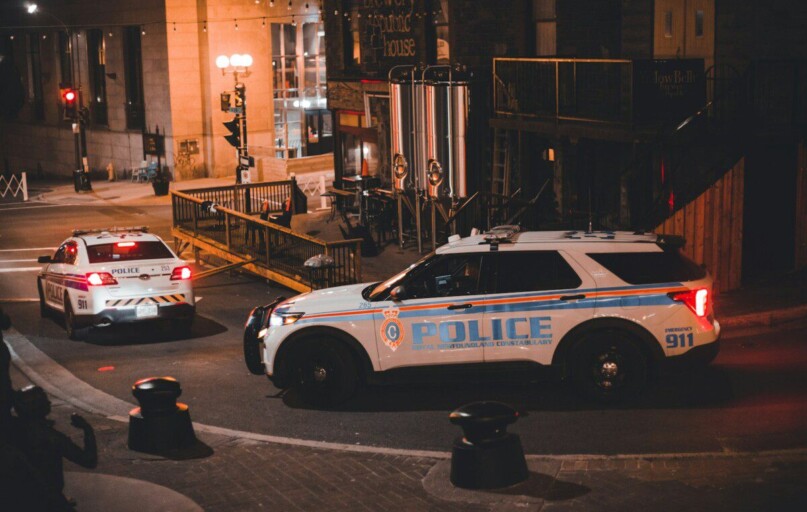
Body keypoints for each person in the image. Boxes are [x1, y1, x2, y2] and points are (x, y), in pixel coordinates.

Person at [9, 386, 97, 511]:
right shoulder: (51, 437)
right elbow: (89, 460)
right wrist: (87, 429)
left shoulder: (13, 430)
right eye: (45, 400)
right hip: (50, 500)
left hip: (22, 498)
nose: (49, 402)